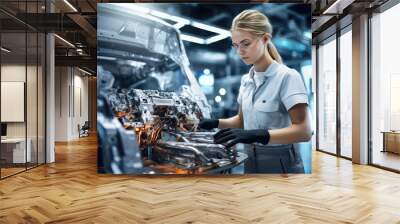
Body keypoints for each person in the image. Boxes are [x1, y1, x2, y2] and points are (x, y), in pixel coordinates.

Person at [199, 10, 312, 174]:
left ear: (265, 39)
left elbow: (304, 131)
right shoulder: (246, 80)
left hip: (281, 165)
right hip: (249, 160)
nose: (240, 52)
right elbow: (241, 121)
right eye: (236, 45)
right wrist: (216, 123)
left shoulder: (287, 77)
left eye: (246, 44)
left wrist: (260, 135)